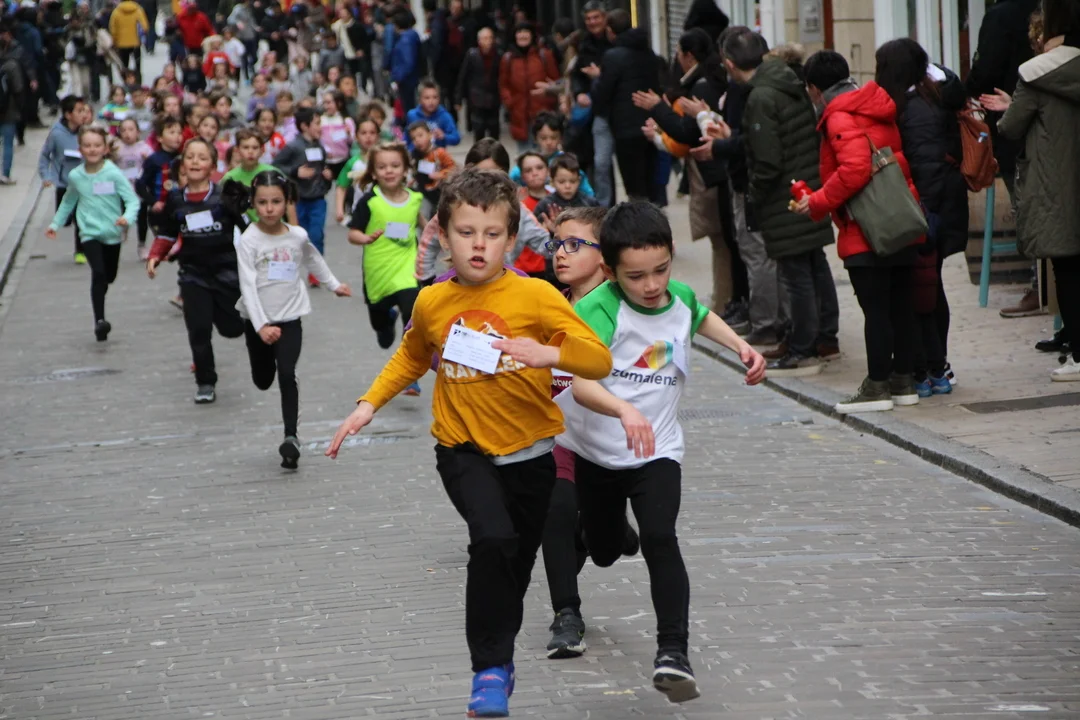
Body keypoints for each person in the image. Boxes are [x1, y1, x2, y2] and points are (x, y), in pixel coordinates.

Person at [326, 168, 613, 719]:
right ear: (442, 233)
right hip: (462, 449)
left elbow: (597, 359)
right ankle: (488, 669)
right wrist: (368, 405)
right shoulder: (432, 301)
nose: (478, 245)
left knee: (513, 567)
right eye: (465, 232)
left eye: (492, 234)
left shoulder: (535, 295)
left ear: (512, 239)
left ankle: (499, 659)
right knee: (491, 539)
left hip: (532, 455)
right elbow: (412, 354)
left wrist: (549, 353)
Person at [554, 201, 766, 703]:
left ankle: (673, 653)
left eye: (661, 270)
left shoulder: (678, 295)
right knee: (605, 551)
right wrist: (623, 410)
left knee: (660, 537)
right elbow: (580, 384)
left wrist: (741, 347)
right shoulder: (596, 310)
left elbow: (699, 314)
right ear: (610, 272)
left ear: (671, 255)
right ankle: (595, 533)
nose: (652, 285)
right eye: (636, 276)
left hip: (658, 450)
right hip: (596, 453)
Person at [798, 50, 922, 413]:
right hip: (900, 217)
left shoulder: (839, 114)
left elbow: (855, 169)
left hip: (868, 227)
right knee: (901, 307)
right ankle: (903, 382)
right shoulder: (873, 104)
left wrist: (818, 201)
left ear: (815, 89)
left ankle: (877, 387)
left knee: (877, 311)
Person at [540, 205, 634, 660]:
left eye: (575, 244)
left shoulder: (624, 307)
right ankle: (566, 615)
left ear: (604, 254)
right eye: (557, 243)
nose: (561, 253)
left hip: (606, 443)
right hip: (556, 435)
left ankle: (608, 530)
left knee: (605, 550)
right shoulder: (546, 304)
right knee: (555, 511)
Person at [731, 36, 839, 372]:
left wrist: (755, 193)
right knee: (814, 264)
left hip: (785, 196)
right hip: (806, 186)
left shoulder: (762, 95)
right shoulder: (790, 82)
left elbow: (767, 159)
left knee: (797, 274)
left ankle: (803, 346)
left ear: (730, 63)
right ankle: (823, 338)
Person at [237, 170, 352, 468]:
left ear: (288, 201)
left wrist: (333, 284)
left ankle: (291, 437)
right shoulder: (249, 240)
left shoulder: (297, 235)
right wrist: (261, 326)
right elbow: (247, 285)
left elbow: (313, 258)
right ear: (253, 203)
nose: (269, 209)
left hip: (290, 317)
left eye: (276, 201)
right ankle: (261, 363)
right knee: (263, 379)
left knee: (287, 373)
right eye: (262, 202)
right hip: (258, 322)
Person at [875, 38, 967, 397]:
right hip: (939, 206)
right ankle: (934, 365)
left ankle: (930, 368)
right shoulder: (930, 96)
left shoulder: (916, 109)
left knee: (922, 290)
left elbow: (927, 166)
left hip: (927, 210)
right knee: (929, 286)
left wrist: (920, 218)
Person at [997, 1, 1080, 381]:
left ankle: (1078, 354)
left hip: (1056, 186)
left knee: (1068, 271)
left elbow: (1010, 127)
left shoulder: (1035, 74)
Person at [633, 28, 737, 317]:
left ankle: (726, 299)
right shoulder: (709, 80)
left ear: (689, 56)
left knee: (722, 241)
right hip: (715, 171)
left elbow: (687, 133)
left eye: (679, 53)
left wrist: (658, 110)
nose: (676, 58)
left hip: (712, 172)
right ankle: (727, 298)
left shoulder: (701, 85)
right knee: (724, 240)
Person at [146, 138, 248, 404]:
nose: (195, 162)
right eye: (190, 157)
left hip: (227, 274)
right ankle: (205, 382)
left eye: (202, 158)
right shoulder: (175, 199)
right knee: (198, 331)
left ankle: (232, 317)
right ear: (182, 164)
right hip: (193, 275)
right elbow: (167, 233)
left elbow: (249, 230)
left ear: (213, 166)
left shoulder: (225, 196)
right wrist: (155, 255)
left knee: (232, 329)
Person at [966, 0, 1042, 319]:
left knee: (1028, 210)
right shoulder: (1046, 9)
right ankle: (1045, 285)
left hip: (1015, 126)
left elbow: (985, 73)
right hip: (1048, 124)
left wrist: (967, 90)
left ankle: (1041, 285)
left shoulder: (1001, 16)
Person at [46, 126, 140, 341]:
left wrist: (127, 218)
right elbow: (68, 201)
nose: (92, 149)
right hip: (88, 232)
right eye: (87, 145)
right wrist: (55, 224)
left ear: (105, 149)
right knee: (98, 273)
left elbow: (132, 200)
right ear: (80, 149)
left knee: (109, 276)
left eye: (97, 145)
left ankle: (101, 297)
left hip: (112, 233)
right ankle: (100, 321)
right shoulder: (76, 176)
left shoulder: (113, 173)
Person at [415, 138, 552, 286]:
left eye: (493, 233)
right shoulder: (455, 209)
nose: (486, 183)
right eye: (467, 232)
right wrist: (427, 279)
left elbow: (545, 245)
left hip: (501, 287)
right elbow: (428, 244)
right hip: (461, 285)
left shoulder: (519, 212)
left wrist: (558, 239)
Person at [346, 142, 424, 359]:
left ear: (405, 169)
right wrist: (365, 238)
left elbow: (424, 224)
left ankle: (408, 363)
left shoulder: (415, 198)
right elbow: (352, 233)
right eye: (382, 167)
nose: (389, 171)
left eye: (395, 166)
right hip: (378, 271)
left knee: (412, 312)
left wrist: (442, 236)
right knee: (379, 324)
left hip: (407, 268)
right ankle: (386, 321)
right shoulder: (370, 201)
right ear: (373, 172)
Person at [591, 9, 662, 202]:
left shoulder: (613, 56)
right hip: (649, 121)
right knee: (648, 178)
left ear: (610, 31)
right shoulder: (648, 52)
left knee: (633, 182)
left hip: (625, 126)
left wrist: (596, 78)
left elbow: (602, 92)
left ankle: (639, 214)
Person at [273, 107, 333, 268]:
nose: (320, 127)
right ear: (304, 126)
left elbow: (322, 167)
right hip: (298, 199)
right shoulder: (293, 146)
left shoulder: (319, 146)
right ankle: (295, 265)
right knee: (300, 234)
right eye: (317, 123)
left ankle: (317, 269)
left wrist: (327, 176)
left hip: (318, 198)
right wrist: (295, 171)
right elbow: (276, 166)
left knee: (317, 234)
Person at [39, 95, 93, 264]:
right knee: (65, 220)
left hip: (83, 183)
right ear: (68, 115)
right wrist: (46, 176)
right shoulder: (56, 134)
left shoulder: (87, 132)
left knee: (81, 218)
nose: (83, 114)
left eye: (84, 111)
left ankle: (80, 251)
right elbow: (45, 156)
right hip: (64, 183)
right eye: (79, 111)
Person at [568, 1, 612, 203]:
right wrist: (579, 93)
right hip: (594, 111)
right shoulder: (584, 43)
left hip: (617, 108)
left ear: (605, 18)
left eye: (596, 17)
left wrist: (601, 75)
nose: (593, 22)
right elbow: (577, 74)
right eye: (588, 19)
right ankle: (602, 206)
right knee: (599, 163)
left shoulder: (616, 39)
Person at [499, 22, 559, 151]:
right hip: (519, 114)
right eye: (519, 32)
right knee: (524, 154)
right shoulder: (508, 59)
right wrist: (510, 102)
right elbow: (503, 84)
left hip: (542, 113)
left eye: (526, 32)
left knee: (545, 152)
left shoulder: (544, 55)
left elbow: (555, 81)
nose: (522, 35)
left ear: (532, 35)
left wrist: (549, 98)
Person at [114, 118, 153, 256]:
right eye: (123, 130)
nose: (127, 133)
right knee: (124, 211)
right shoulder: (117, 148)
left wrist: (147, 160)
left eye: (131, 129)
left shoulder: (144, 148)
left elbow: (152, 165)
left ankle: (142, 245)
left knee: (142, 218)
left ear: (138, 132)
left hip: (140, 188)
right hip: (123, 188)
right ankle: (124, 227)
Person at [456, 25, 500, 142]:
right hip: (477, 98)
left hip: (493, 98)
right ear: (479, 40)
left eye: (490, 38)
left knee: (494, 130)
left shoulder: (498, 55)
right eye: (485, 38)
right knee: (479, 129)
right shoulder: (472, 55)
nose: (488, 41)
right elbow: (463, 77)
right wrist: (458, 98)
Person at [334, 116, 379, 223]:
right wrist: (339, 209)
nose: (368, 136)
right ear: (356, 137)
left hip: (382, 209)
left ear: (378, 136)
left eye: (372, 133)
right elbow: (341, 186)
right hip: (360, 211)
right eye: (363, 133)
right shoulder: (352, 163)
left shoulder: (385, 160)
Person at [532, 153, 599, 222]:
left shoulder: (590, 203)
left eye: (573, 181)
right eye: (561, 182)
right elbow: (534, 226)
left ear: (579, 181)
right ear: (552, 182)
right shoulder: (544, 205)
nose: (568, 186)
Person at [407, 121, 455, 213]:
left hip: (439, 192)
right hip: (422, 191)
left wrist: (441, 174)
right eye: (413, 138)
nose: (417, 140)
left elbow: (453, 169)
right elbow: (415, 172)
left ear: (430, 135)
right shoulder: (414, 155)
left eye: (420, 135)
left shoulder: (439, 153)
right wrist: (413, 179)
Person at [0, 20, 26, 185]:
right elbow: (18, 88)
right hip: (8, 109)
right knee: (8, 143)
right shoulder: (12, 65)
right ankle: (5, 174)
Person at [384, 9, 422, 117]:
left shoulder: (405, 41)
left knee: (409, 107)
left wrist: (398, 77)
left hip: (407, 81)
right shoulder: (409, 37)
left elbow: (408, 62)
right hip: (410, 78)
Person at [404, 79, 461, 150]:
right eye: (427, 98)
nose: (431, 101)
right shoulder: (412, 115)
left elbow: (456, 138)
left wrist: (443, 136)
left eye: (435, 97)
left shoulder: (444, 116)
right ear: (420, 99)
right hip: (417, 154)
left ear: (439, 98)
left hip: (437, 154)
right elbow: (407, 138)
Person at [319, 90, 355, 180]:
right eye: (324, 103)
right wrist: (326, 151)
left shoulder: (346, 121)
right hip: (326, 162)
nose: (326, 106)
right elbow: (319, 140)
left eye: (329, 103)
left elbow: (352, 141)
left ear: (339, 103)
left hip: (343, 160)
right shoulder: (321, 121)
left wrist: (347, 134)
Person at [109, 0, 149, 80]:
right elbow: (145, 26)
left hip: (121, 43)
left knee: (124, 65)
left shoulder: (116, 11)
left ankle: (126, 81)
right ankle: (138, 80)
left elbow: (113, 29)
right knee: (138, 65)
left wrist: (115, 40)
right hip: (136, 42)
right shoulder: (138, 10)